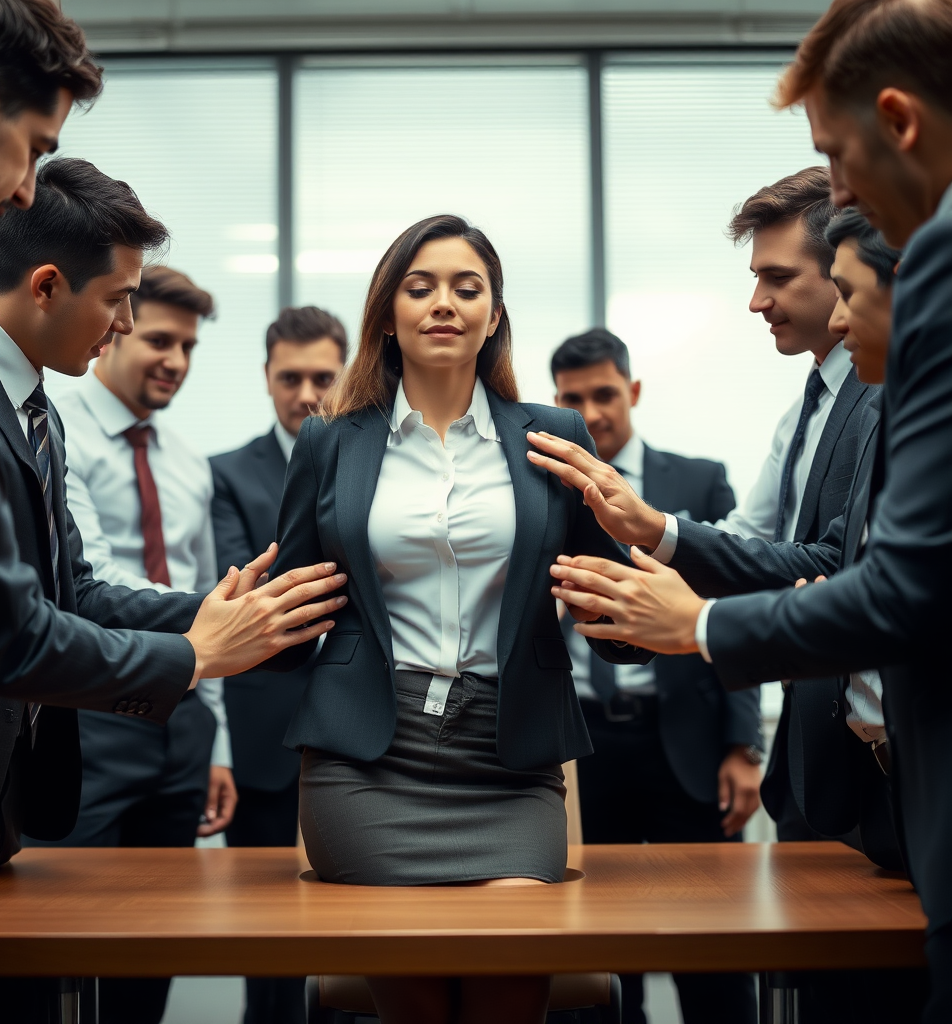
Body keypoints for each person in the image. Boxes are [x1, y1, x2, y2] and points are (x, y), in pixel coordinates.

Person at [530, 1, 952, 1017]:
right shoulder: (823, 385)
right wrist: (662, 539)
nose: (842, 194)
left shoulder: (925, 281)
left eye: (836, 157)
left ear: (897, 121)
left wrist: (698, 624)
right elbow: (813, 555)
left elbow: (885, 581)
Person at [0, 3, 339, 1016]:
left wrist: (225, 614)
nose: (126, 331)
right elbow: (10, 627)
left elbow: (75, 590)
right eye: (118, 306)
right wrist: (199, 652)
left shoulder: (35, 411)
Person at [264, 214, 651, 1024]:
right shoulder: (330, 441)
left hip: (508, 763)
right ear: (389, 313)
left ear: (494, 314)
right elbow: (295, 600)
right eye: (421, 286)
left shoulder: (553, 435)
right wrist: (221, 640)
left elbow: (603, 597)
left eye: (466, 288)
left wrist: (635, 614)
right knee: (416, 1002)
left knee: (513, 986)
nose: (444, 303)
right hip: (367, 759)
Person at [17, 258, 237, 1024]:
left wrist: (217, 748)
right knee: (67, 938)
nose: (175, 362)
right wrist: (223, 617)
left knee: (159, 939)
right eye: (161, 341)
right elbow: (92, 580)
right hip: (95, 711)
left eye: (189, 349)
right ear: (116, 331)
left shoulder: (188, 462)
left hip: (185, 719)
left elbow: (208, 602)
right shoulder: (53, 421)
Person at [550, 328, 759, 1024]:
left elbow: (732, 609)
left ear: (633, 391)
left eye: (606, 393)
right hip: (582, 747)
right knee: (601, 955)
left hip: (687, 741)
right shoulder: (541, 488)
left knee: (710, 949)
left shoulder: (696, 480)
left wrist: (741, 744)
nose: (595, 411)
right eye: (574, 398)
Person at [211, 306, 347, 1024]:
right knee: (270, 950)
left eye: (322, 377)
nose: (305, 393)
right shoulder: (227, 473)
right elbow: (246, 593)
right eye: (289, 377)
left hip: (368, 732)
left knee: (360, 938)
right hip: (267, 731)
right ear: (266, 377)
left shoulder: (380, 456)